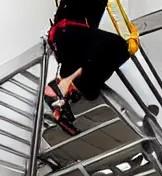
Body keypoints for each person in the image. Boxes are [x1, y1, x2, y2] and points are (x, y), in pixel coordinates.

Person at [45, 0, 131, 135]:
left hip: (65, 37)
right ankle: (64, 87)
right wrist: (130, 38)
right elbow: (115, 9)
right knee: (119, 47)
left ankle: (62, 95)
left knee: (89, 72)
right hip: (71, 34)